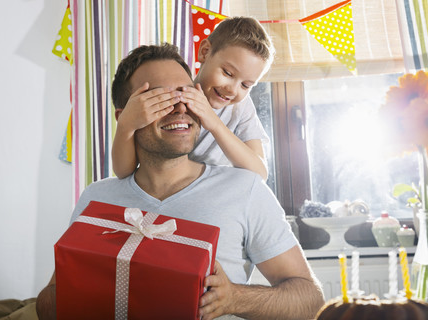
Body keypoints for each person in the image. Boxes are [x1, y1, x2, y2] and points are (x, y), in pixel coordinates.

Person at [36, 43, 324, 320]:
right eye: (159, 99)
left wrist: (234, 298)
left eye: (186, 95)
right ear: (125, 118)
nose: (180, 108)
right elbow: (50, 302)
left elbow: (310, 302)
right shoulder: (96, 198)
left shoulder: (245, 190)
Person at [111, 17, 273, 181]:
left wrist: (214, 123)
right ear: (204, 52)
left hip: (216, 190)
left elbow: (260, 173)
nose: (232, 89)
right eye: (228, 73)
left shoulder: (241, 108)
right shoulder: (177, 101)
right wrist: (125, 126)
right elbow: (124, 172)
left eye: (245, 85)